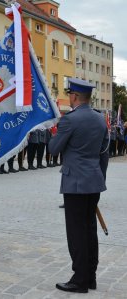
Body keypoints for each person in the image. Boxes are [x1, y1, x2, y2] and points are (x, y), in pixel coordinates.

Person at [49, 78, 109, 293]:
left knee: (76, 232)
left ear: (74, 96)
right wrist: (99, 178)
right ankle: (90, 276)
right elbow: (104, 154)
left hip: (75, 182)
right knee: (89, 230)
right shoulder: (100, 119)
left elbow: (54, 149)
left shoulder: (69, 120)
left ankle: (80, 280)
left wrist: (53, 129)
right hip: (94, 181)